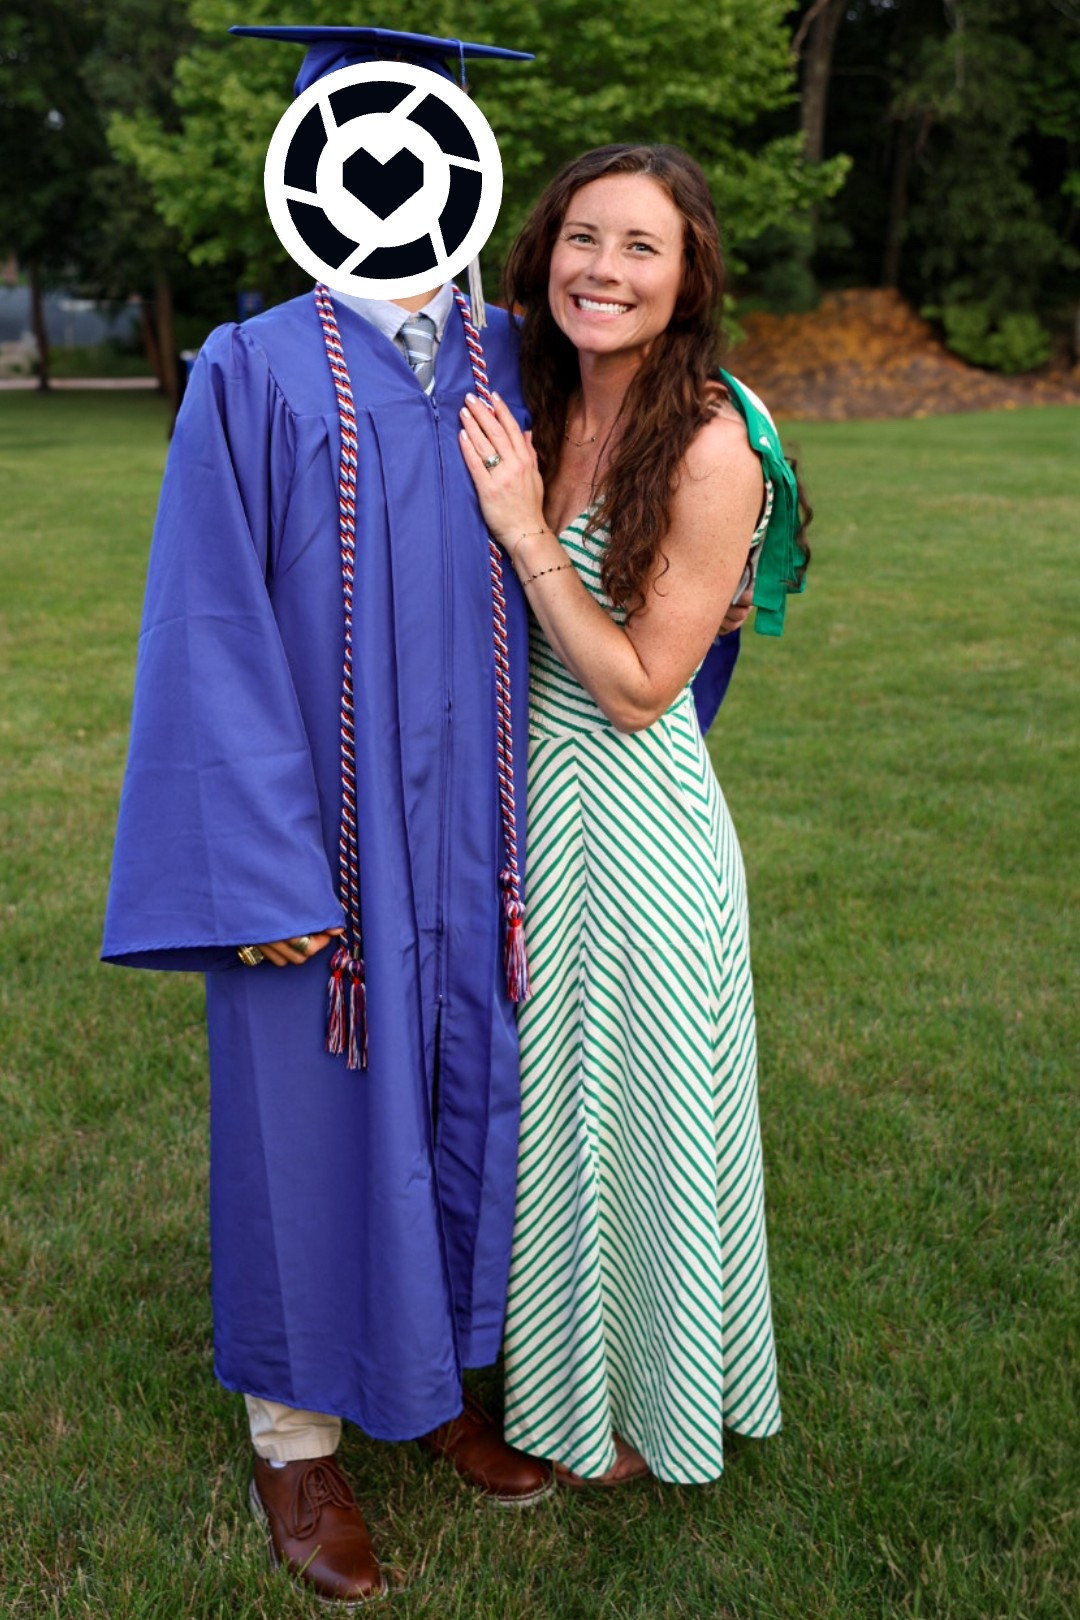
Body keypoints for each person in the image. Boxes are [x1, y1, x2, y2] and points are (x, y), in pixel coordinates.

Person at [102, 26, 554, 1606]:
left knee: (470, 1091)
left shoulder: (511, 356)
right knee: (310, 1116)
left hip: (479, 838)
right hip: (329, 843)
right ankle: (295, 1445)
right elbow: (209, 628)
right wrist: (261, 868)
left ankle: (435, 1390)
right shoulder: (256, 367)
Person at [458, 143, 809, 1487]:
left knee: (637, 1119)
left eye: (640, 247)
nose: (604, 269)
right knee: (551, 1116)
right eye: (582, 239)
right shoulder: (534, 395)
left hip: (639, 830)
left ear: (689, 274)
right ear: (543, 254)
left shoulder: (713, 442)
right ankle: (554, 1384)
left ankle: (647, 1408)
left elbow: (640, 687)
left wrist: (523, 528)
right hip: (526, 813)